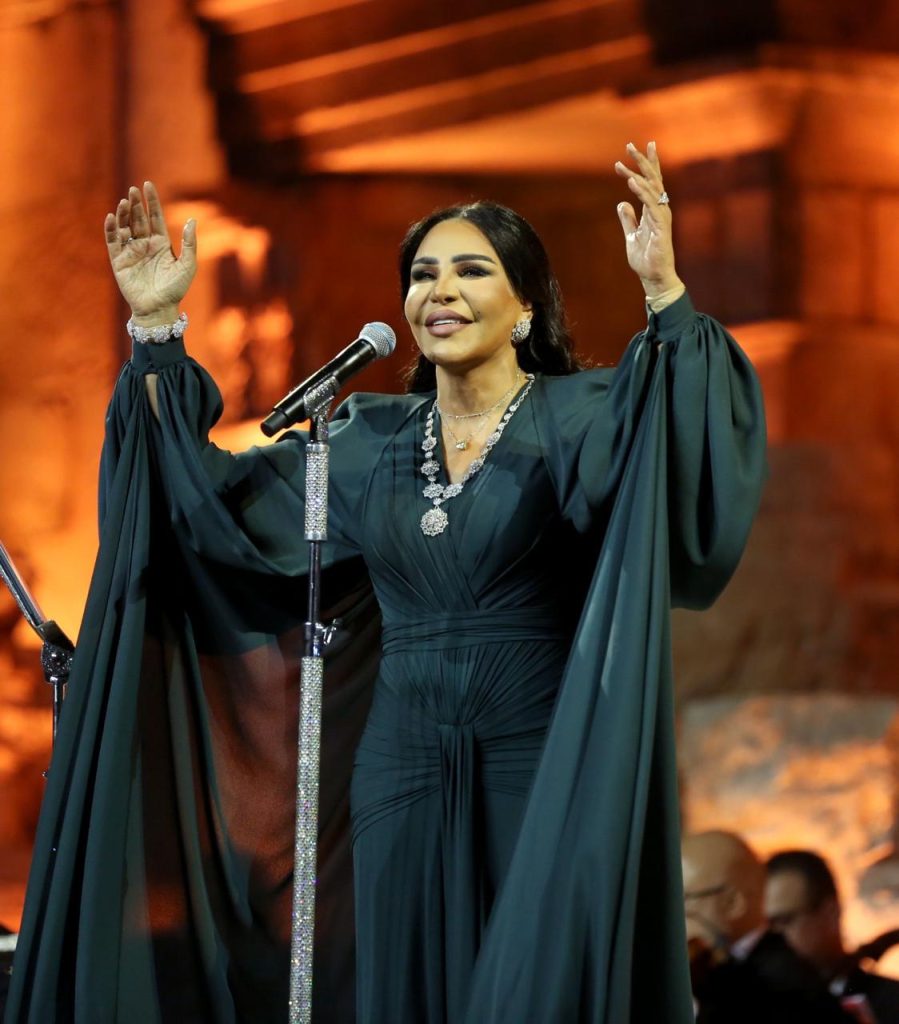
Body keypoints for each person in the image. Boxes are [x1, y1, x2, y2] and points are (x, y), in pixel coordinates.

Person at [7, 144, 766, 1023]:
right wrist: (155, 329)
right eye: (422, 275)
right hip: (399, 762)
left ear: (525, 306)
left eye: (470, 271)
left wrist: (664, 293)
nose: (440, 291)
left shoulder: (581, 415)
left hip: (540, 751)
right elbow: (209, 510)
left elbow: (682, 461)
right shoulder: (364, 438)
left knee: (534, 984)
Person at [682, 830, 857, 1024]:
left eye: (684, 898)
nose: (677, 914)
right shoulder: (725, 969)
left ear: (732, 903)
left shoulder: (776, 985)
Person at [766, 849, 899, 1023]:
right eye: (764, 925)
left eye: (784, 921)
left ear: (831, 913)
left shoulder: (891, 1003)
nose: (771, 935)